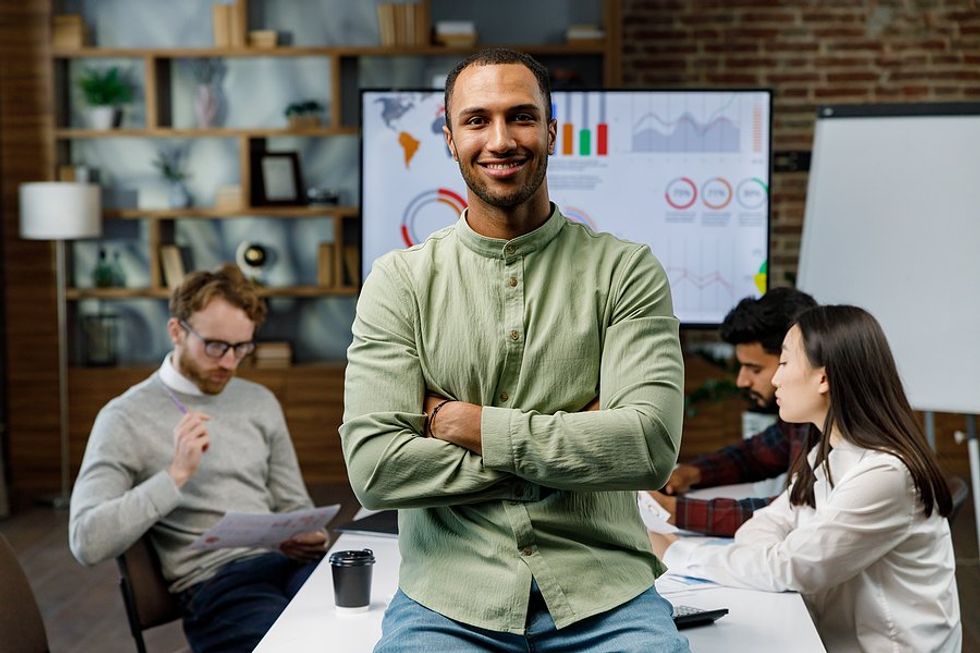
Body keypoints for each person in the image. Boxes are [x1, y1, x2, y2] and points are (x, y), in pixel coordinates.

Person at [341, 48, 688, 651]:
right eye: (477, 120)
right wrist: (574, 446)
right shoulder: (399, 281)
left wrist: (466, 424)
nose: (501, 139)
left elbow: (648, 447)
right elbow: (374, 469)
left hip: (605, 594)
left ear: (553, 131)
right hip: (447, 600)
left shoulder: (627, 272)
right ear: (449, 138)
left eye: (521, 117)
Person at [651, 305, 961, 652]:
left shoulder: (886, 474)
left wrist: (677, 551)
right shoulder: (824, 454)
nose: (775, 378)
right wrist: (780, 554)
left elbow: (791, 568)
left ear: (823, 378)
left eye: (783, 363)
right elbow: (767, 525)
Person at [69, 264, 327, 653]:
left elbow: (294, 503)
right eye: (215, 346)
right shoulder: (124, 417)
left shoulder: (258, 401)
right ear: (176, 331)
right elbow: (85, 541)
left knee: (369, 624)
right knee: (300, 646)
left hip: (288, 567)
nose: (229, 362)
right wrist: (175, 476)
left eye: (242, 348)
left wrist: (307, 534)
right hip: (217, 584)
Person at [651, 288, 817, 536]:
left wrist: (675, 511)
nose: (741, 381)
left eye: (755, 369)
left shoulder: (838, 432)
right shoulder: (802, 419)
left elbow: (792, 514)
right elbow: (755, 455)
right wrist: (689, 474)